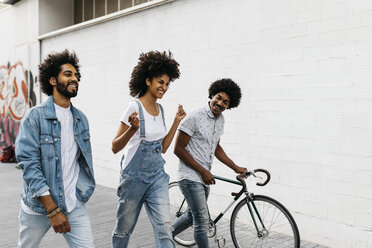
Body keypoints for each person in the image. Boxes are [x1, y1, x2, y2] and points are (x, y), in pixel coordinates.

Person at [15, 50, 95, 248]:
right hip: (39, 206)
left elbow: (79, 162)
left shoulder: (80, 119)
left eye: (76, 75)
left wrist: (78, 194)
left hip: (72, 203)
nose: (74, 78)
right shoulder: (35, 118)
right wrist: (52, 210)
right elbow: (29, 165)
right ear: (52, 80)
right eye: (68, 74)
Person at [111, 50, 186, 248]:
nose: (164, 87)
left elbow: (162, 148)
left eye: (167, 83)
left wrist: (176, 122)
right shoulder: (133, 107)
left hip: (157, 178)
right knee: (123, 231)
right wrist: (133, 129)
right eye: (160, 82)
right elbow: (115, 147)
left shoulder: (160, 110)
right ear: (147, 81)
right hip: (133, 179)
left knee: (164, 229)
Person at [172, 78, 247, 247]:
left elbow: (216, 147)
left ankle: (164, 237)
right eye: (218, 97)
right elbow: (178, 149)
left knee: (192, 216)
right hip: (190, 176)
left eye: (225, 102)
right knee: (201, 220)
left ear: (230, 105)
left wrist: (235, 167)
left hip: (204, 176)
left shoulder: (220, 121)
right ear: (212, 94)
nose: (220, 103)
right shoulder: (194, 117)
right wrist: (203, 171)